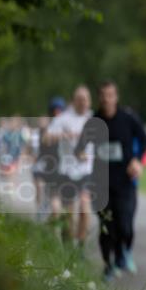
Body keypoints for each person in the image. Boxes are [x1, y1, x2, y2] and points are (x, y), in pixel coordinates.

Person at [77, 81, 146, 281]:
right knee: (107, 228)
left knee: (125, 224)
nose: (106, 99)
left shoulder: (128, 119)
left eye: (110, 95)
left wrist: (137, 161)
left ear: (116, 97)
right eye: (103, 96)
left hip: (126, 182)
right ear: (99, 98)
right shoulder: (94, 121)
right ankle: (108, 266)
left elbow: (145, 140)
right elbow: (81, 146)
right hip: (101, 184)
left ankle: (123, 254)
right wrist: (82, 153)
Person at [45, 86, 94, 246]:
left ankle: (80, 247)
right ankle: (68, 248)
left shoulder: (94, 118)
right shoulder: (63, 119)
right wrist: (63, 135)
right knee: (69, 214)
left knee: (85, 210)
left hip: (86, 171)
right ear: (74, 101)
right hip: (67, 171)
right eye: (80, 99)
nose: (83, 103)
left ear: (90, 101)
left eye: (86, 99)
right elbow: (46, 138)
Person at [32, 97, 65, 221]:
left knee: (55, 203)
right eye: (55, 110)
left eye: (59, 110)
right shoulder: (45, 126)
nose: (57, 113)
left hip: (59, 166)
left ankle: (49, 221)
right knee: (40, 185)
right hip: (44, 162)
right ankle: (40, 207)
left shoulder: (65, 126)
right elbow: (40, 143)